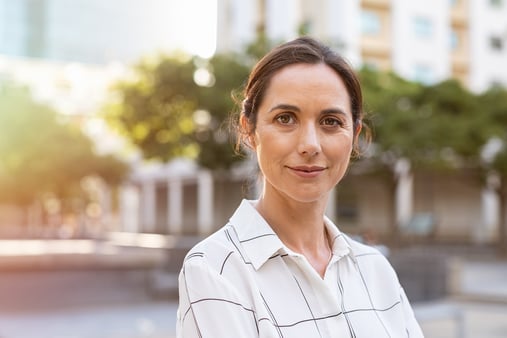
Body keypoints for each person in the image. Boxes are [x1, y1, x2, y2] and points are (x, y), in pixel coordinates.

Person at [177, 36, 423, 337]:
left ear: (355, 134)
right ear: (249, 130)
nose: (310, 145)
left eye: (331, 121)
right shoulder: (215, 269)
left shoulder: (375, 269)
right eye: (285, 118)